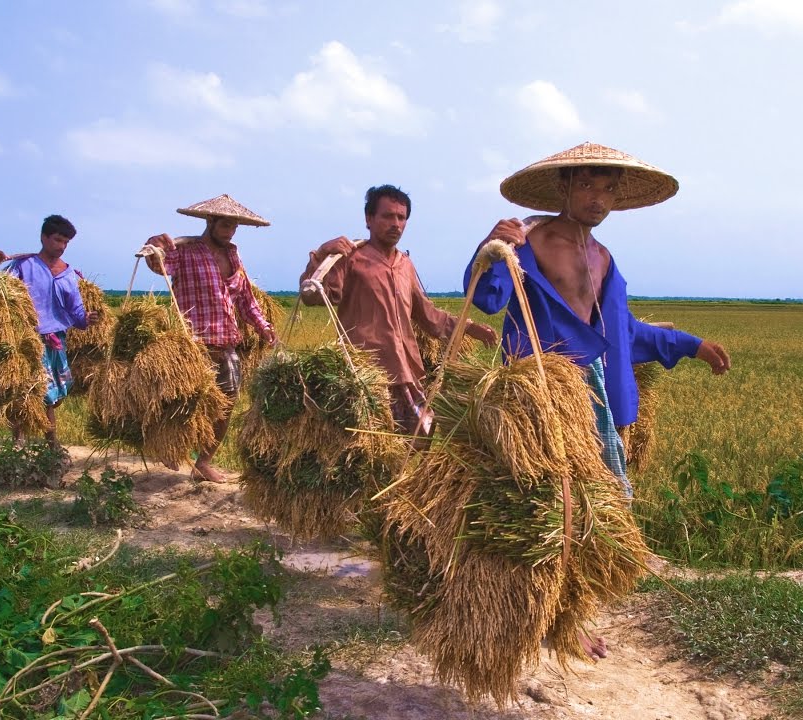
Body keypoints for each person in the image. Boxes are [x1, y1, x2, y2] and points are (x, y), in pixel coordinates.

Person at [466, 143, 731, 659]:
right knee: (546, 504)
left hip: (592, 395)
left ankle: (570, 616)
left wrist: (691, 345)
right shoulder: (533, 241)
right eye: (587, 185)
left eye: (608, 188)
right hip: (540, 395)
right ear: (563, 188)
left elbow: (621, 331)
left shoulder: (603, 258)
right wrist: (490, 246)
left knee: (597, 506)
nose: (598, 198)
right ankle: (531, 615)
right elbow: (488, 297)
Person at [300, 184, 497, 436]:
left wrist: (469, 327)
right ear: (369, 219)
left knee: (417, 439)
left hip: (405, 370)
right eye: (387, 216)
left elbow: (428, 315)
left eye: (401, 217)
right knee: (366, 448)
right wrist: (323, 253)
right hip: (365, 373)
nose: (396, 224)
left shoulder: (405, 265)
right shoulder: (350, 259)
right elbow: (313, 295)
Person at [144, 194, 277, 483]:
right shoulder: (187, 251)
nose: (230, 229)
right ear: (210, 220)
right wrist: (155, 245)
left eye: (234, 225)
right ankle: (172, 446)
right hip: (191, 344)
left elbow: (245, 298)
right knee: (183, 402)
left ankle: (203, 461)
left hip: (226, 341)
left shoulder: (233, 256)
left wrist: (263, 326)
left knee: (226, 404)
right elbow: (158, 265)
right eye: (225, 223)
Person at [0, 214, 100, 446]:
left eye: (65, 243)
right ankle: (31, 442)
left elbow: (76, 312)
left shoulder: (68, 274)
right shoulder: (23, 266)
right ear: (43, 237)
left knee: (53, 396)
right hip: (26, 339)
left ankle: (44, 442)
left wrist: (87, 319)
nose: (61, 247)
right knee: (27, 392)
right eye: (57, 240)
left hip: (56, 341)